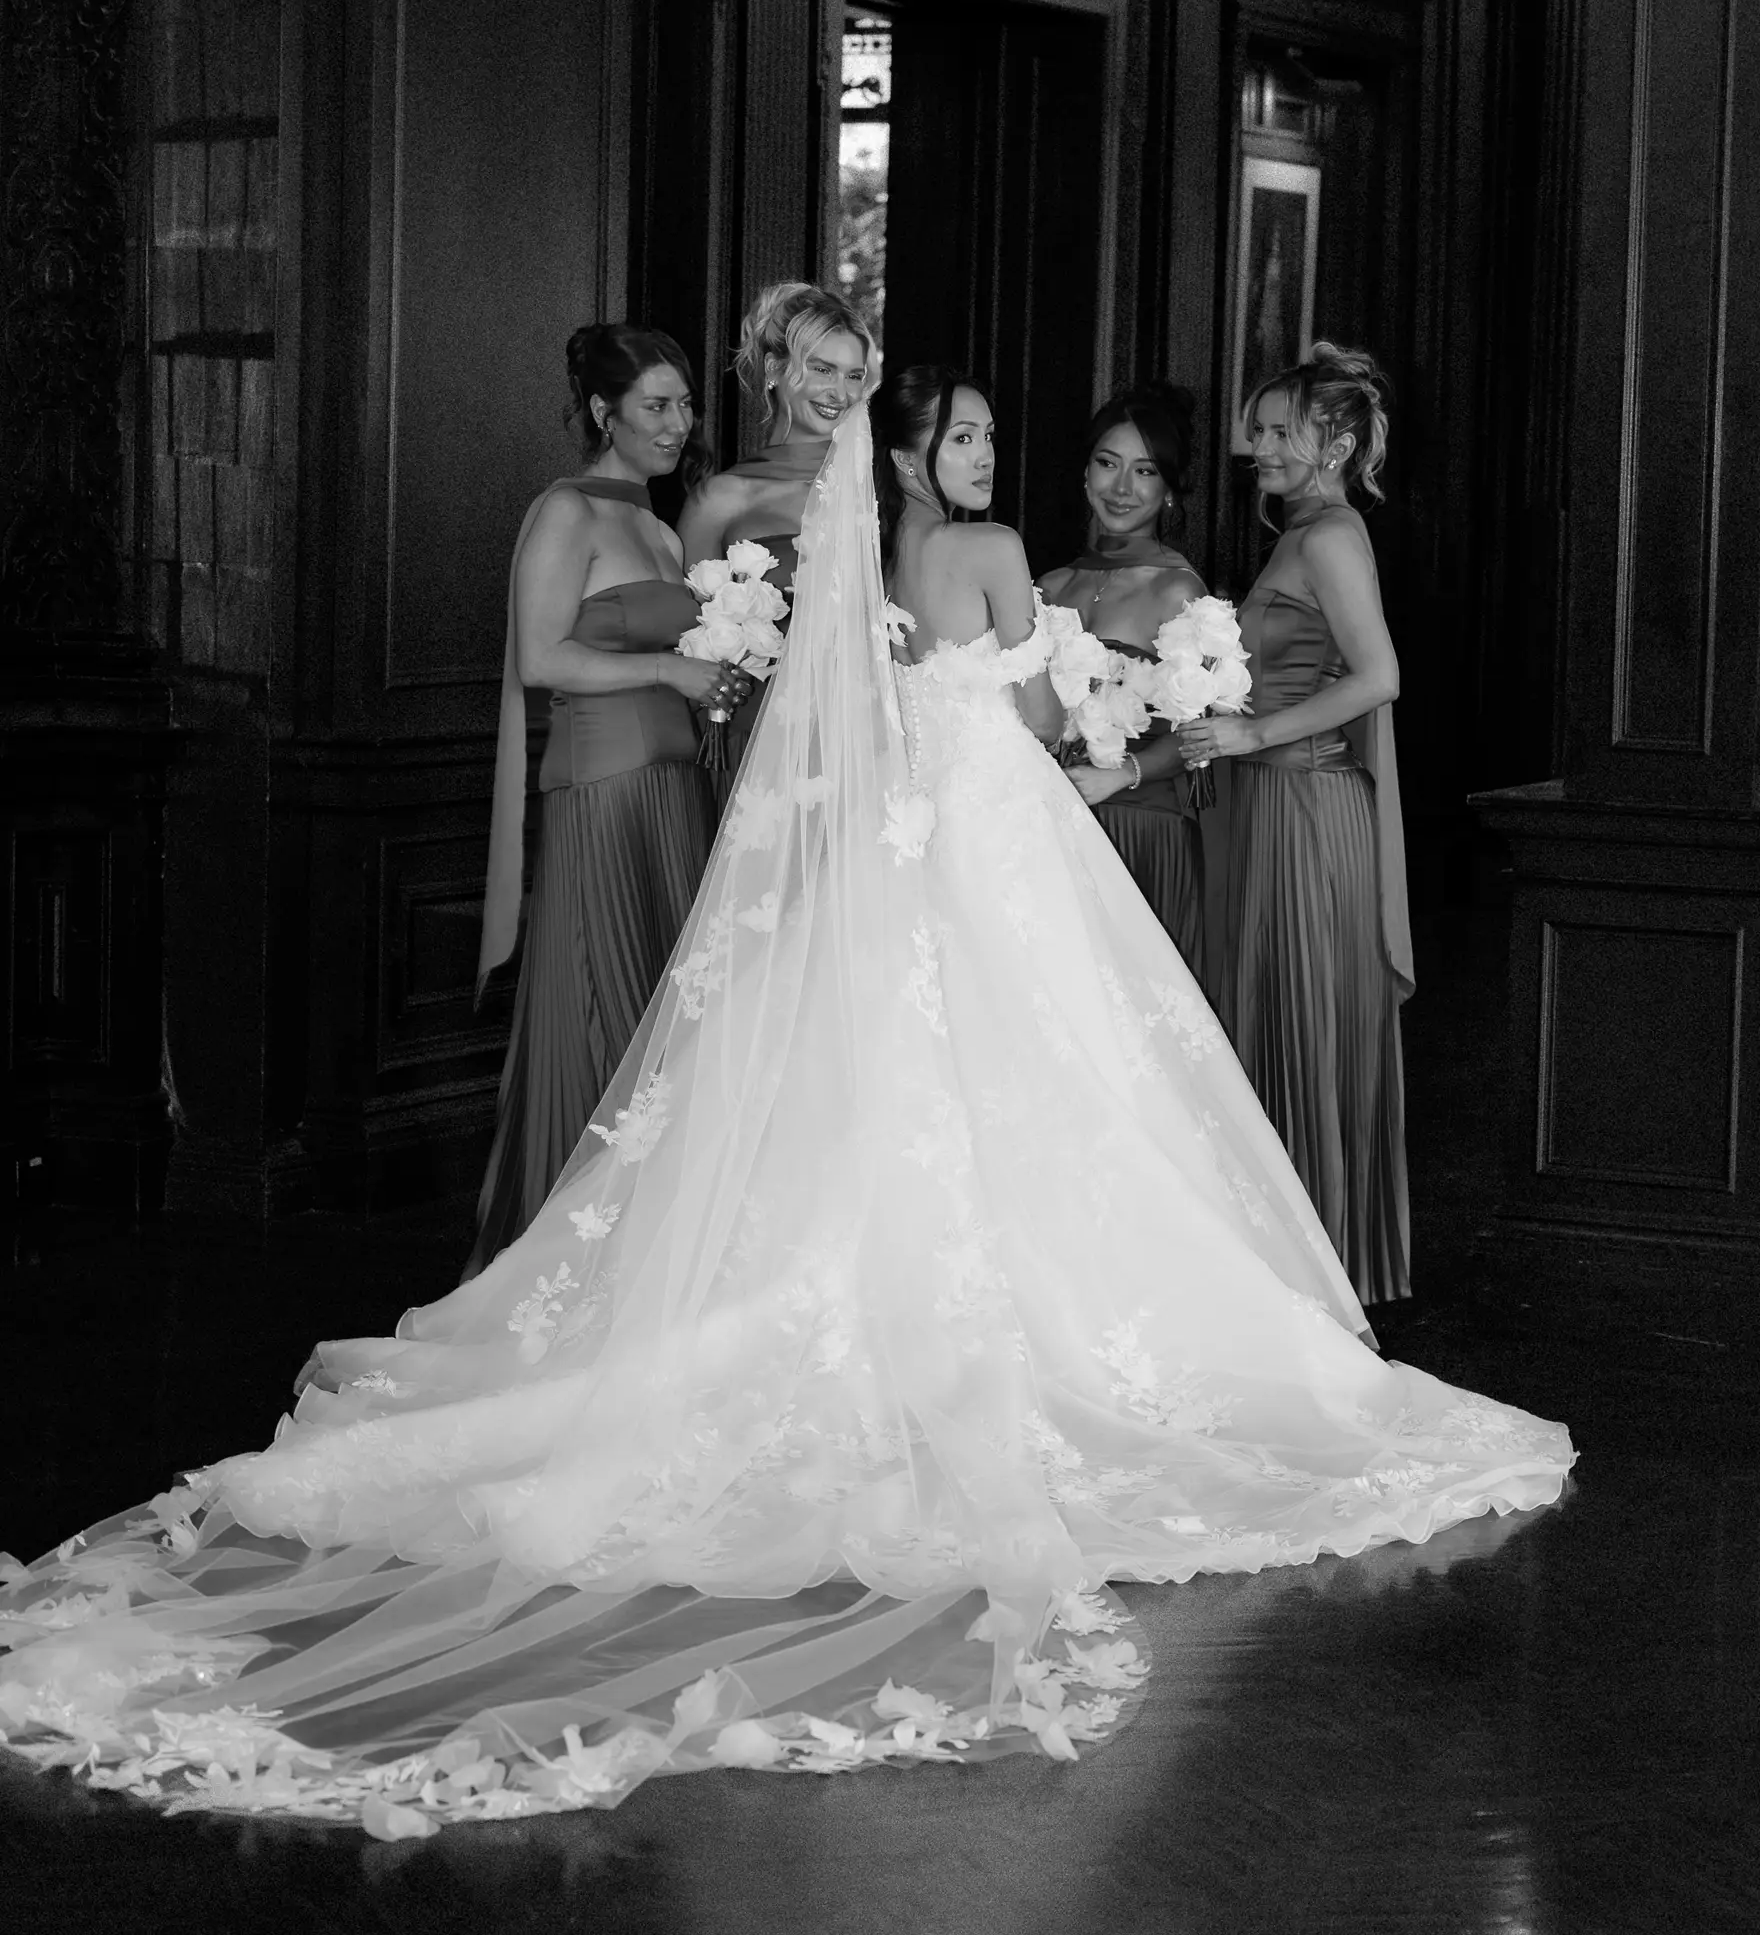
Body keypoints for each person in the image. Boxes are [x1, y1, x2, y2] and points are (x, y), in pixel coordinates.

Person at [0, 374, 1569, 1829]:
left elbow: (878, 716)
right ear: (919, 457)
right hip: (999, 843)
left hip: (911, 852)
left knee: (902, 1090)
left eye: (987, 440)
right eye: (965, 439)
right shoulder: (993, 554)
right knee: (1061, 1084)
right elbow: (1030, 719)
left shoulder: (872, 567)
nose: (989, 459)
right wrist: (1080, 702)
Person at [467, 324, 745, 1274]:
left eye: (685, 404)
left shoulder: (661, 531)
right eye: (656, 405)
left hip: (675, 794)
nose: (678, 423)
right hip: (603, 796)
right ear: (602, 411)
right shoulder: (566, 513)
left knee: (671, 1032)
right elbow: (541, 658)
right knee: (605, 1013)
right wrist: (671, 668)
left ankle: (650, 1268)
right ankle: (566, 1266)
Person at [1176, 345, 1413, 1306]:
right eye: (1258, 431)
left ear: (1338, 446)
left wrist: (1251, 732)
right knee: (1275, 1019)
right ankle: (1294, 1270)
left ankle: (1317, 1277)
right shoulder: (1306, 532)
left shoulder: (1329, 539)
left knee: (1304, 1026)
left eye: (1280, 433)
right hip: (1273, 805)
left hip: (1307, 808)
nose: (1259, 448)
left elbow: (1380, 677)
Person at [1039, 385, 1209, 978]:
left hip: (1139, 823)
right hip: (1051, 824)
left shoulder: (1178, 589)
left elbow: (1202, 735)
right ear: (1085, 473)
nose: (1121, 487)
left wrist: (1121, 774)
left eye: (1145, 471)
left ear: (1168, 490)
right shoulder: (1049, 586)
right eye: (1108, 464)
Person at [677, 280, 874, 784]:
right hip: (751, 736)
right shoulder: (721, 499)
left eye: (854, 375)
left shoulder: (879, 492)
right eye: (822, 369)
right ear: (774, 369)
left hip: (861, 739)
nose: (841, 393)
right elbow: (686, 641)